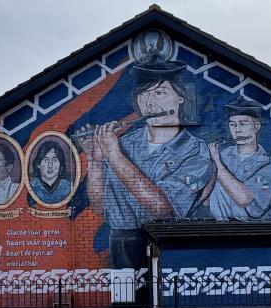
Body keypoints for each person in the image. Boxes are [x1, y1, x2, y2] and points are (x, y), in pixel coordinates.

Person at [82, 60, 213, 269]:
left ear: (180, 98)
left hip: (171, 249)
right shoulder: (123, 144)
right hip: (121, 249)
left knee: (167, 300)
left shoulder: (196, 152)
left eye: (160, 93)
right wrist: (95, 160)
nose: (149, 103)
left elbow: (162, 209)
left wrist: (114, 155)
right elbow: (100, 206)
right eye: (144, 94)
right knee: (126, 302)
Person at [208, 96, 271, 220]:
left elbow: (243, 199)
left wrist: (217, 163)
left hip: (253, 232)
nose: (237, 130)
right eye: (233, 125)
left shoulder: (270, 164)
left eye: (243, 124)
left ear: (256, 126)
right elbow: (207, 200)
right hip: (219, 230)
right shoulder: (223, 155)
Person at [29, 140, 71, 204]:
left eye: (54, 160)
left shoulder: (68, 187)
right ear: (38, 164)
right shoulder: (31, 187)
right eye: (45, 160)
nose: (50, 165)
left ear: (61, 165)